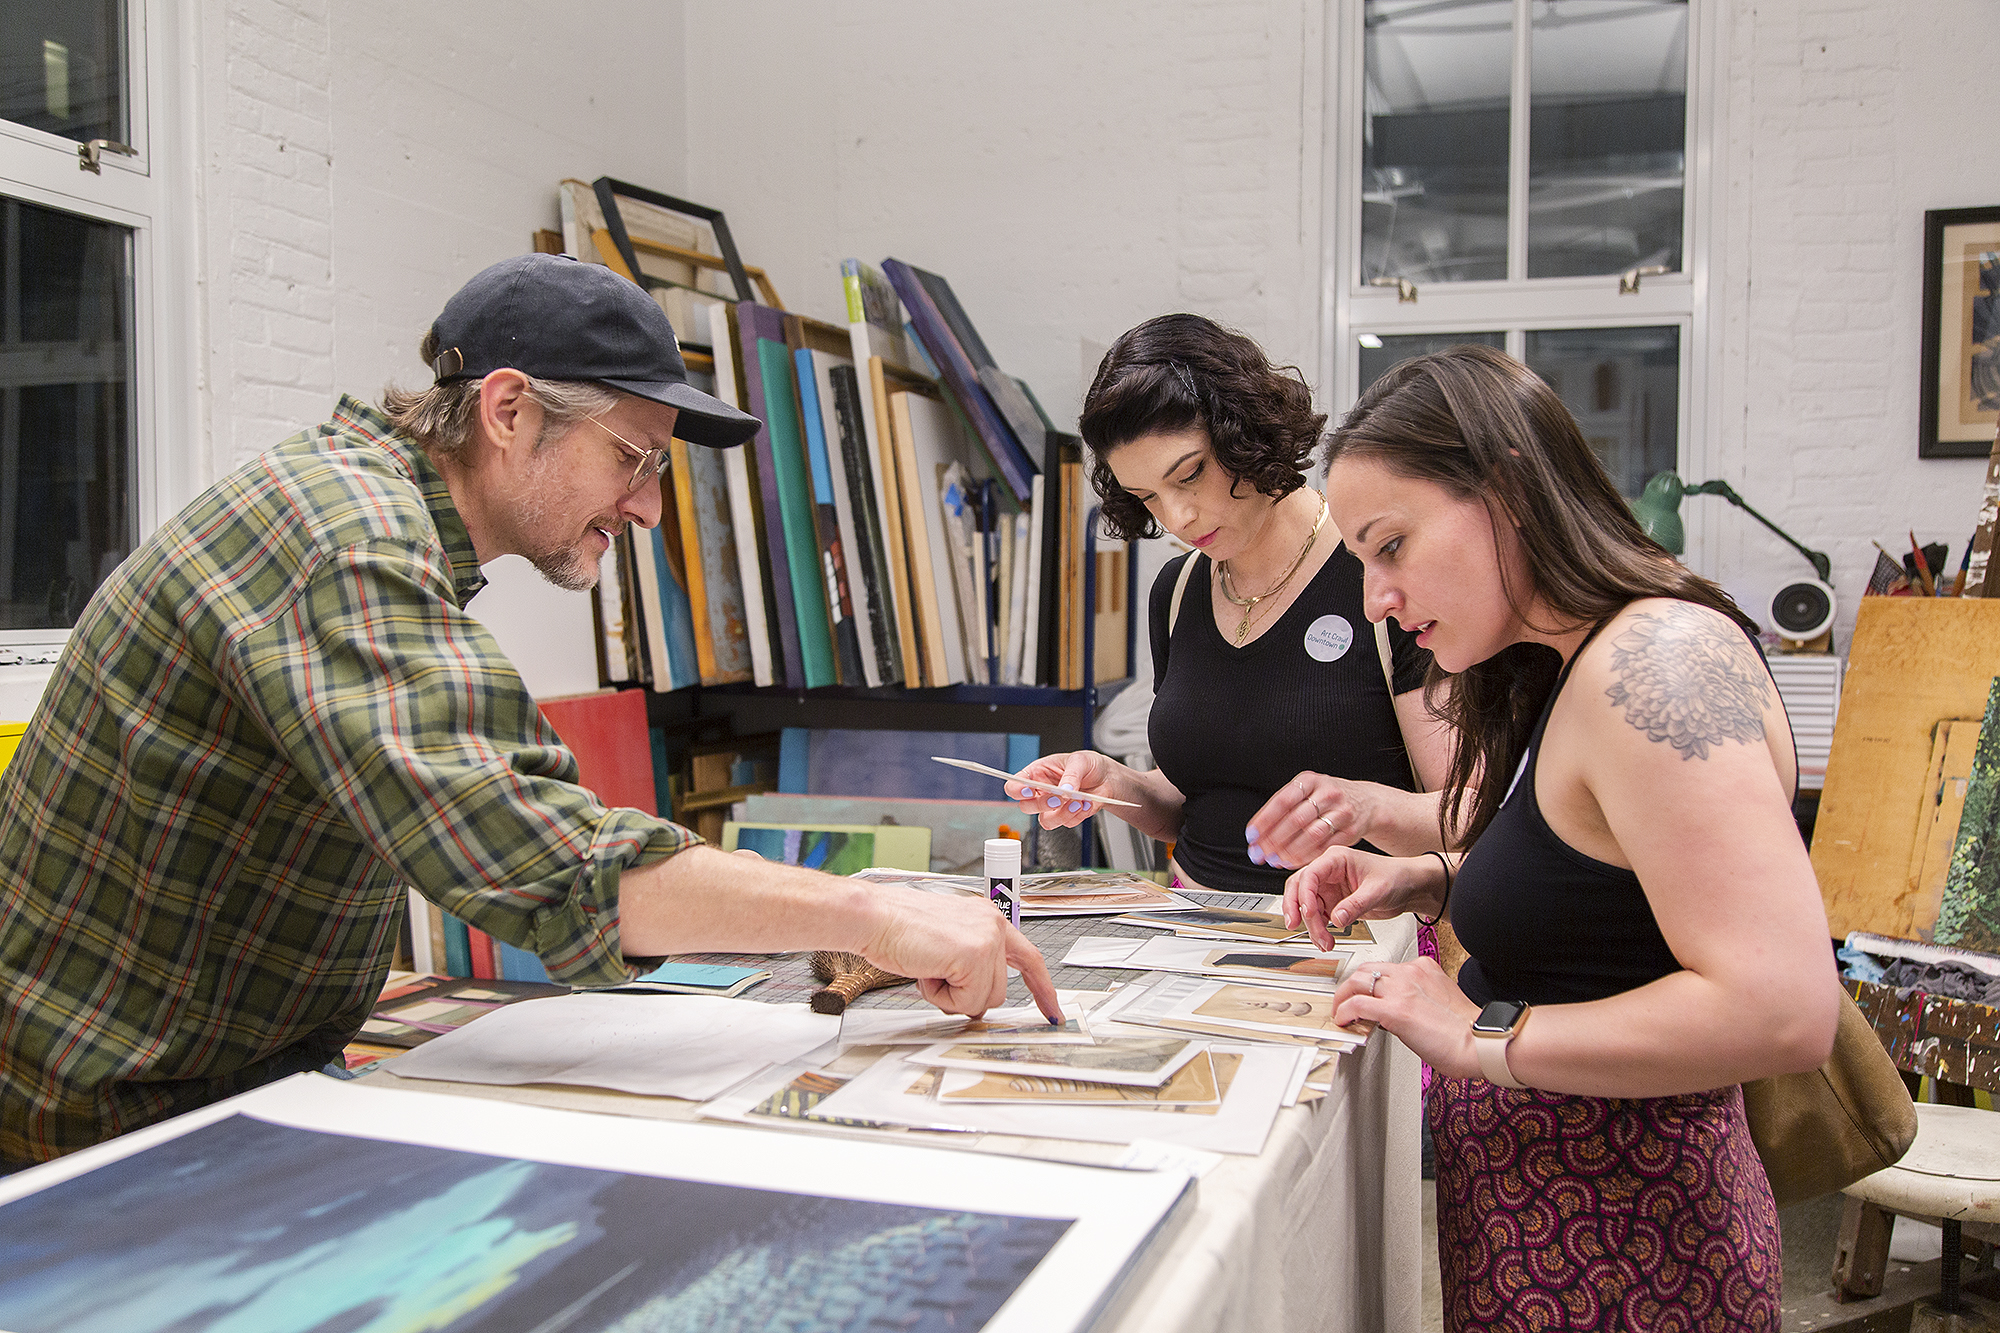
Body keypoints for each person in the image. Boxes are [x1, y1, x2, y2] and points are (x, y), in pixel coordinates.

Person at [0, 254, 1058, 1168]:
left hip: (226, 1076)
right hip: (112, 1114)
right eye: (633, 458)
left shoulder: (371, 512)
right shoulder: (350, 540)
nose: (647, 505)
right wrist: (870, 913)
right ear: (508, 411)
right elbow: (554, 863)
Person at [1284, 345, 1838, 1332]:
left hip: (1630, 1254)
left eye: (1390, 546)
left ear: (1502, 490)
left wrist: (1474, 1035)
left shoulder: (1656, 664)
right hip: (1550, 1227)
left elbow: (1782, 1010)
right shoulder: (1566, 656)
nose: (1374, 598)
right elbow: (1608, 895)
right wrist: (1432, 877)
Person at [1006, 313, 1452, 893]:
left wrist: (1367, 806)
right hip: (1187, 939)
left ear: (1243, 433)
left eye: (1189, 475)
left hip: (1345, 942)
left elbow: (1466, 811)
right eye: (1148, 497)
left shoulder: (1375, 573)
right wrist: (1110, 784)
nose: (1176, 518)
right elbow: (1191, 799)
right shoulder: (1177, 591)